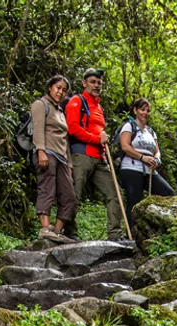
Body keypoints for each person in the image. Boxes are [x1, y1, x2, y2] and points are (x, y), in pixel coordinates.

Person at [65, 68, 124, 241]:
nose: (96, 85)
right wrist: (96, 139)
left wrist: (101, 144)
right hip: (81, 154)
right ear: (84, 83)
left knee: (115, 193)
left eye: (99, 82)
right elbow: (73, 128)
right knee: (74, 194)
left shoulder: (99, 106)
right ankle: (70, 234)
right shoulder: (77, 101)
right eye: (92, 82)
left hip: (100, 157)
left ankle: (115, 234)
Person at [30, 75, 77, 244]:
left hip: (62, 158)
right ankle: (45, 229)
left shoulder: (60, 111)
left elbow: (65, 139)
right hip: (47, 152)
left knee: (69, 196)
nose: (61, 92)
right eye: (58, 87)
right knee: (47, 189)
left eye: (64, 90)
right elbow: (38, 129)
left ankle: (56, 231)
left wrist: (69, 164)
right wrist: (41, 151)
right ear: (50, 87)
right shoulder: (40, 105)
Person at [118, 98, 175, 211]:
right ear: (135, 110)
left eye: (148, 110)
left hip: (149, 170)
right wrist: (142, 157)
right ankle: (131, 228)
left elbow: (157, 151)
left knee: (168, 193)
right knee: (134, 201)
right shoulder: (129, 126)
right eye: (142, 109)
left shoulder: (151, 132)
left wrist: (157, 160)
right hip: (131, 167)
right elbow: (125, 146)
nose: (145, 113)